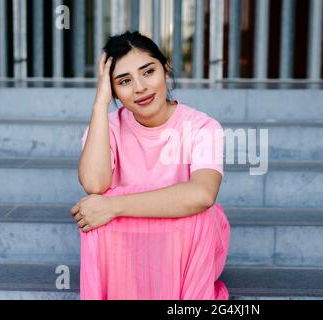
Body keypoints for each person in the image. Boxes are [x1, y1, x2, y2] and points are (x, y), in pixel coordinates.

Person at [70, 31, 230, 300]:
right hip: (131, 242)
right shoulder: (106, 127)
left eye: (148, 72)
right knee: (95, 207)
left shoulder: (203, 126)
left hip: (184, 237)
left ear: (165, 69)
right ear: (113, 89)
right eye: (124, 81)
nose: (140, 87)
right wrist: (100, 104)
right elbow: (94, 184)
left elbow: (202, 194)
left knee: (199, 213)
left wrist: (113, 206)